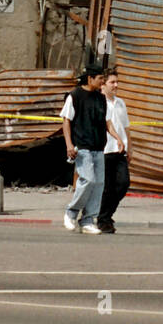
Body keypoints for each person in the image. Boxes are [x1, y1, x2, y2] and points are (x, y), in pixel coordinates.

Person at [61, 64, 109, 234]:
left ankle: (88, 220)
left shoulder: (101, 98)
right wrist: (69, 145)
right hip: (82, 147)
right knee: (87, 179)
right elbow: (66, 121)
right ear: (90, 78)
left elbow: (106, 122)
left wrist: (116, 138)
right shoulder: (75, 96)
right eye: (100, 78)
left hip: (98, 147)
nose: (102, 82)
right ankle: (71, 212)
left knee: (98, 184)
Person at [97, 69, 131, 234]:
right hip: (104, 150)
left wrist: (130, 146)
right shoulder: (98, 102)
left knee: (123, 184)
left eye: (117, 82)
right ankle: (103, 219)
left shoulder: (120, 103)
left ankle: (106, 214)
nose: (116, 85)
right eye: (112, 82)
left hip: (119, 150)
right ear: (103, 84)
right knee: (107, 187)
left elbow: (126, 127)